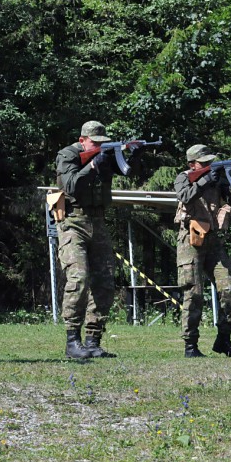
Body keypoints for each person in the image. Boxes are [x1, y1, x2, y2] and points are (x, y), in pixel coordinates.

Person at [55, 120, 144, 358]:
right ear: (82, 139)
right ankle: (72, 341)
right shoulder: (67, 155)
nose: (100, 147)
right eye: (95, 143)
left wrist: (134, 156)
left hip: (98, 222)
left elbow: (129, 172)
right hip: (73, 222)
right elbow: (71, 185)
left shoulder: (106, 155)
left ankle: (93, 340)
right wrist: (93, 165)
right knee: (78, 277)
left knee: (104, 282)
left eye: (103, 143)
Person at [174, 144, 231, 358]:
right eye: (203, 163)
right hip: (191, 238)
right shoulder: (184, 177)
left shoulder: (217, 177)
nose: (209, 166)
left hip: (213, 240)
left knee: (230, 288)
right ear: (192, 164)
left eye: (210, 162)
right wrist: (206, 180)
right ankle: (190, 345)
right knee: (193, 292)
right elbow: (185, 196)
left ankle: (224, 339)